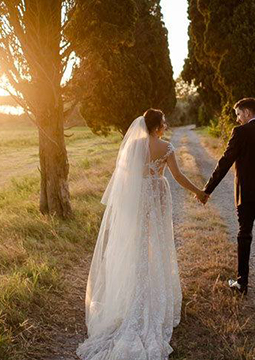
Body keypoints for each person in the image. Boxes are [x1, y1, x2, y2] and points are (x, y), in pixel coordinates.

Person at [77, 109, 207, 360]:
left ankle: (133, 291)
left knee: (137, 243)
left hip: (137, 198)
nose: (166, 126)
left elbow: (123, 177)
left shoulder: (133, 145)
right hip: (156, 194)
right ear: (157, 126)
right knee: (156, 242)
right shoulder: (166, 147)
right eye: (164, 123)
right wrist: (198, 192)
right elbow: (178, 176)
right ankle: (151, 292)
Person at [200, 97, 255, 315]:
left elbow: (224, 162)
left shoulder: (240, 133)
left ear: (247, 112)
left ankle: (242, 283)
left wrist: (207, 190)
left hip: (247, 197)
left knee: (244, 236)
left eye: (239, 114)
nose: (237, 119)